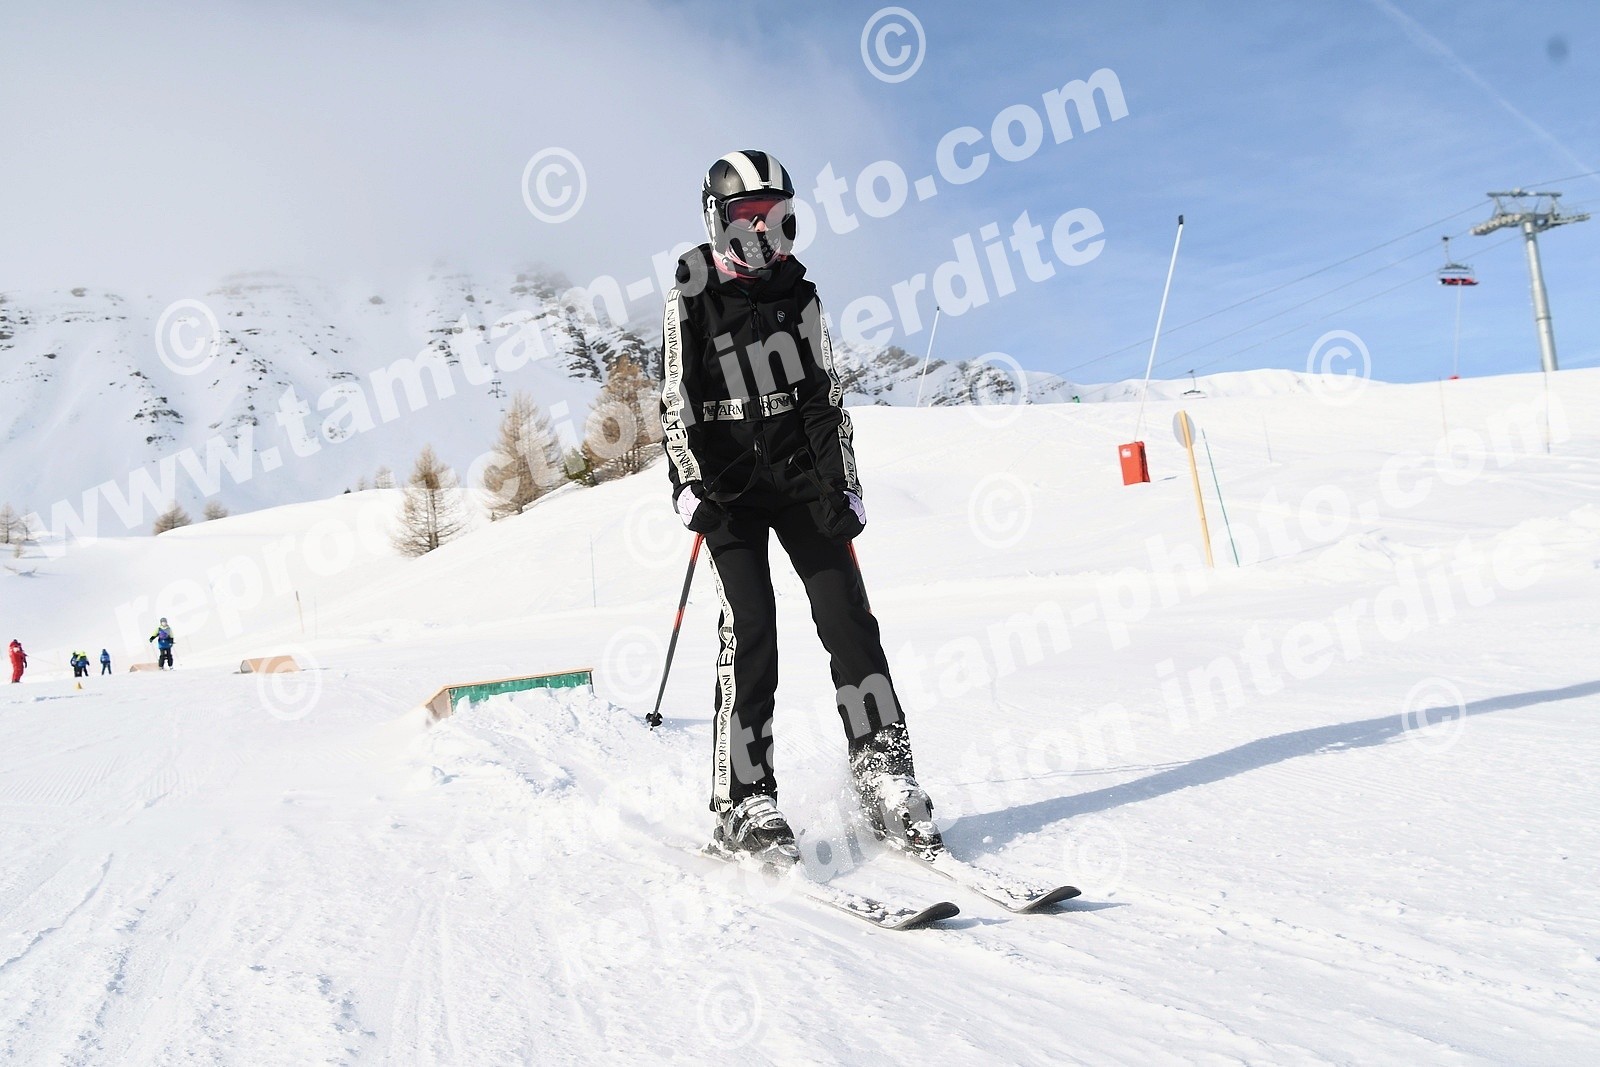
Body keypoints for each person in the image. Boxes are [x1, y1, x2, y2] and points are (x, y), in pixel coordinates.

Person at [659, 149, 941, 864]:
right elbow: (675, 397)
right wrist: (688, 481)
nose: (762, 231)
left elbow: (823, 397)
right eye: (747, 217)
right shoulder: (691, 292)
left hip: (798, 479)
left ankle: (883, 770)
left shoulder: (800, 295)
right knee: (752, 624)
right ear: (717, 220)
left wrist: (843, 485)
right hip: (726, 491)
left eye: (776, 217)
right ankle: (742, 800)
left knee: (847, 614)